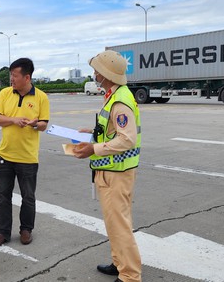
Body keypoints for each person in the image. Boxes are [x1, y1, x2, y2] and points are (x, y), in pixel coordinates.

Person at [72, 50, 142, 282]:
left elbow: (127, 138)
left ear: (106, 73)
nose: (94, 74)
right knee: (114, 223)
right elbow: (110, 131)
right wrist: (91, 133)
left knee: (119, 225)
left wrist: (93, 149)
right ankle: (119, 262)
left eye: (97, 70)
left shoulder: (120, 101)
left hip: (117, 173)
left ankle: (129, 275)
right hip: (111, 171)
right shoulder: (114, 95)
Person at [0, 58, 50, 248]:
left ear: (27, 77)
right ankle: (3, 232)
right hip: (5, 155)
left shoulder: (41, 97)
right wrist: (14, 120)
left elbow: (44, 124)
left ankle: (26, 230)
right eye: (11, 75)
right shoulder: (5, 93)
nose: (11, 79)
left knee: (28, 197)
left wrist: (35, 124)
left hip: (28, 157)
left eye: (15, 76)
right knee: (3, 197)